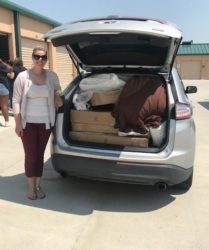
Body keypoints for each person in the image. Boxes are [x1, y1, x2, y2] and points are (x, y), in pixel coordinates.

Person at [13, 47, 63, 200]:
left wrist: (56, 95)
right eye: (37, 57)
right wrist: (18, 123)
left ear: (46, 59)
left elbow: (59, 94)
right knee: (30, 155)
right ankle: (30, 187)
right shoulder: (22, 76)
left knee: (39, 154)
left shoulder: (52, 76)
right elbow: (15, 100)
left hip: (46, 123)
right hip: (28, 124)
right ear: (32, 58)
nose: (40, 60)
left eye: (43, 57)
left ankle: (38, 185)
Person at [0, 58, 12, 127]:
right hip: (2, 86)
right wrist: (2, 62)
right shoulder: (1, 65)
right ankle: (6, 122)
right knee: (4, 105)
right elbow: (10, 69)